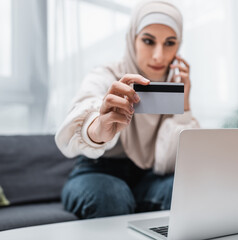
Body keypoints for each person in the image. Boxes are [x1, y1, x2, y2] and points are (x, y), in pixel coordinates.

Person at [55, 0, 200, 219]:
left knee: (187, 188)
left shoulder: (174, 87)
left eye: (170, 43)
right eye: (148, 41)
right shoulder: (106, 75)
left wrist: (184, 106)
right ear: (132, 39)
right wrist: (98, 129)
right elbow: (84, 106)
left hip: (148, 178)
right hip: (96, 171)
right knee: (112, 196)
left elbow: (171, 162)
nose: (159, 56)